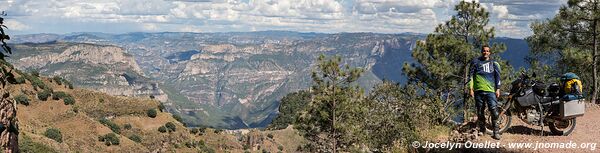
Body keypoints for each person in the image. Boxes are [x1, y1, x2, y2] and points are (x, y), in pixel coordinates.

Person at [468, 45, 502, 140]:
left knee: (494, 112)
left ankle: (496, 131)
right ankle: (482, 129)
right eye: (484, 51)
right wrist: (471, 89)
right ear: (481, 51)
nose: (485, 52)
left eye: (487, 51)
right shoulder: (475, 62)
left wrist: (498, 88)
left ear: (490, 52)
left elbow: (498, 77)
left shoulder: (494, 63)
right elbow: (470, 76)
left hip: (490, 91)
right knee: (480, 112)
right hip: (478, 91)